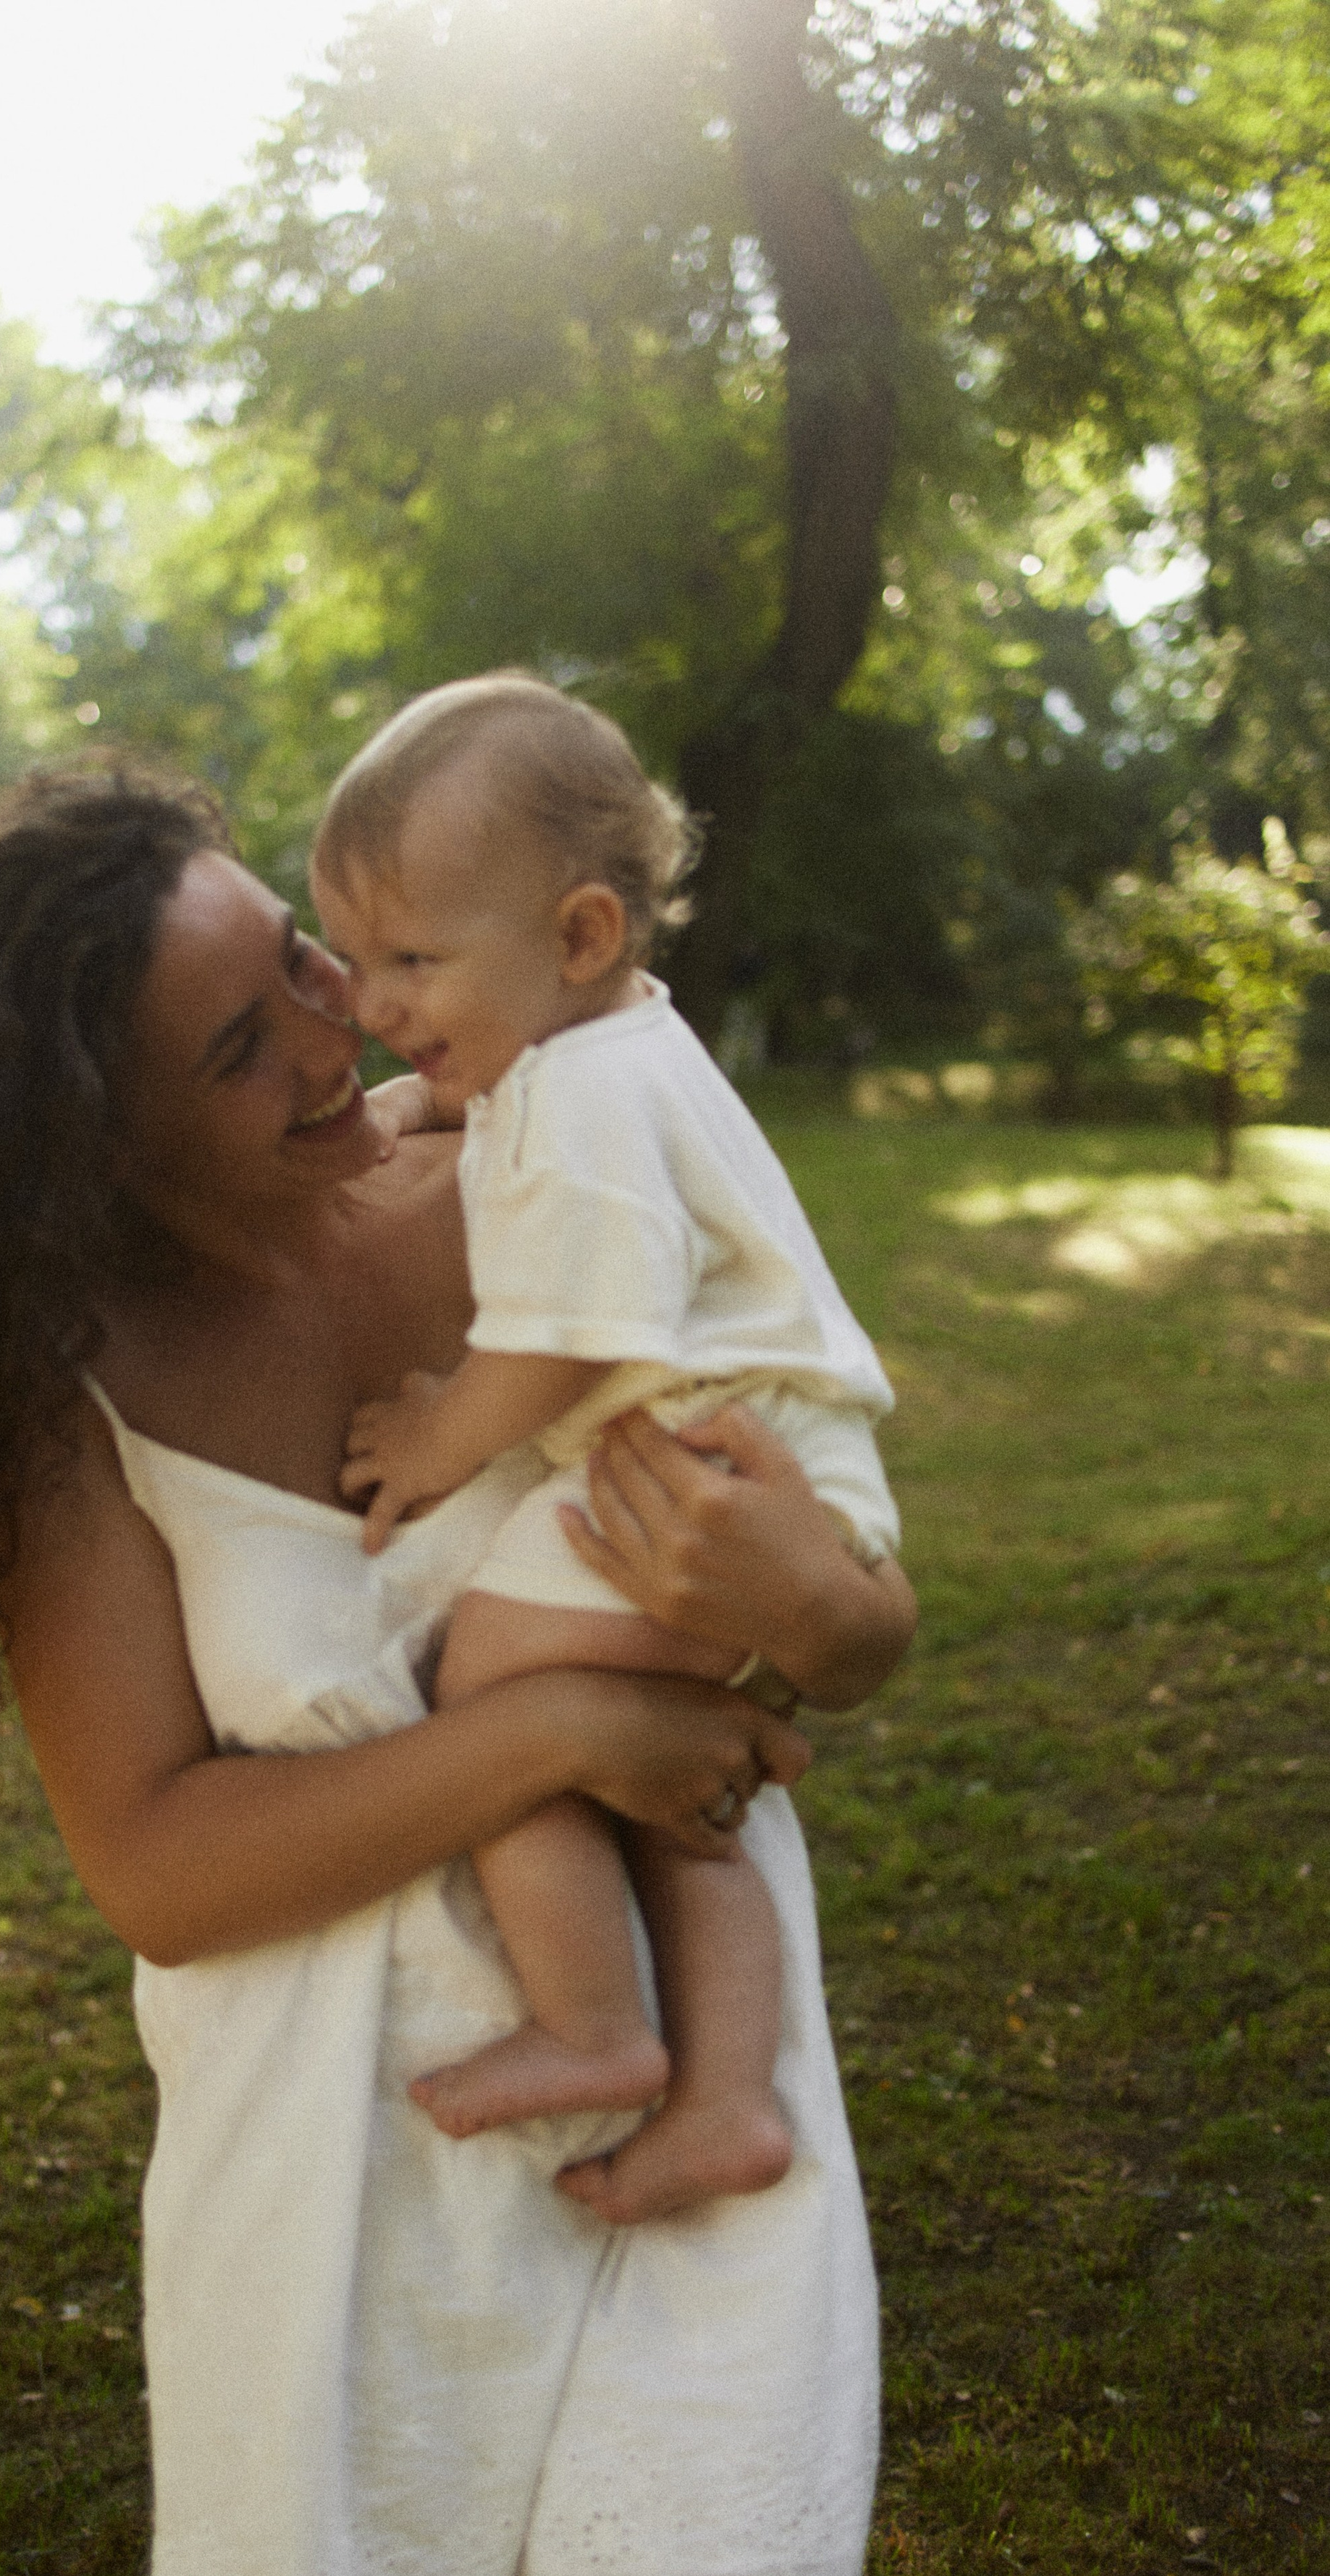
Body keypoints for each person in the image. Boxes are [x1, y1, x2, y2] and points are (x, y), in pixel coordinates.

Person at [0, 753, 916, 2576]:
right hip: (353, 2200)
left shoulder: (541, 1165)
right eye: (243, 1047)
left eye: (305, 958)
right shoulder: (58, 1394)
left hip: (704, 2106)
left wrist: (851, 1625)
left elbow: (833, 1588)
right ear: (94, 1142)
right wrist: (559, 1729)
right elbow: (158, 1864)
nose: (341, 1024)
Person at [311, 675, 906, 2220]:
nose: (374, 1005)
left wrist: (437, 1438)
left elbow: (566, 1334)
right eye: (360, 961)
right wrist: (430, 1104)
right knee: (670, 1815)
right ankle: (724, 2105)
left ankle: (592, 2028)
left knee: (490, 1698)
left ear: (577, 939)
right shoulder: (591, 1053)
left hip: (696, 1481)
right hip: (771, 1471)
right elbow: (502, 1117)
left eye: (411, 962)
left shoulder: (577, 1100)